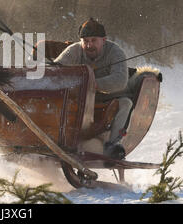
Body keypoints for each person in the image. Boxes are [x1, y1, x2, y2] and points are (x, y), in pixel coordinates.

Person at [54, 18, 132, 160]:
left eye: (94, 40)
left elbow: (121, 80)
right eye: (86, 41)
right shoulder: (75, 50)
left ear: (104, 40)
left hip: (109, 98)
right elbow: (55, 70)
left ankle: (112, 145)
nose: (89, 45)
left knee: (126, 103)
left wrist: (94, 84)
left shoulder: (115, 52)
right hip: (80, 97)